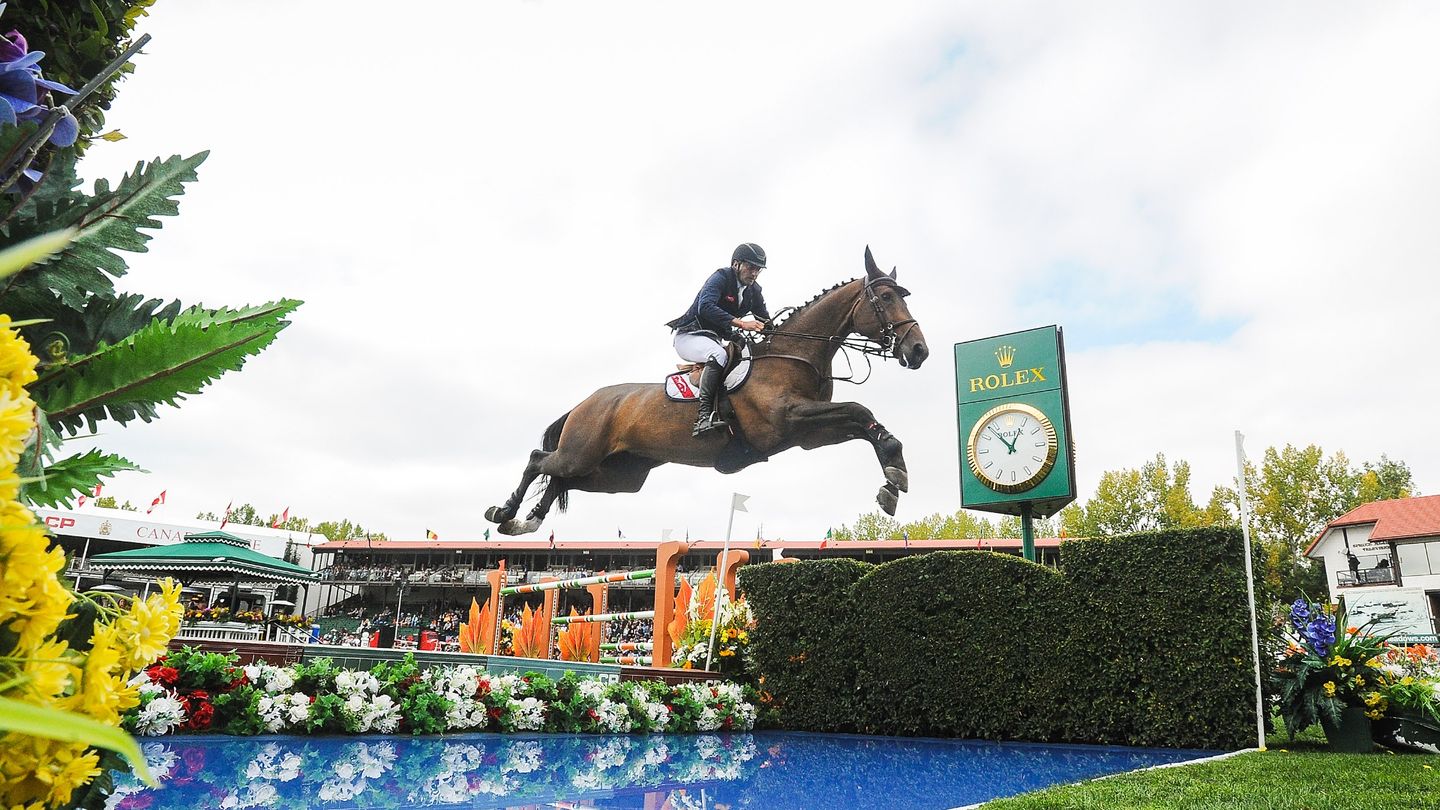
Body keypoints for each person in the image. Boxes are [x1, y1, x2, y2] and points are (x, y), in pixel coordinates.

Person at [667, 243, 772, 437]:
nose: (754, 273)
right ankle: (703, 417)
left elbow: (765, 320)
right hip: (690, 336)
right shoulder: (721, 277)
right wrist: (741, 324)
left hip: (713, 339)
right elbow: (704, 306)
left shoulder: (753, 291)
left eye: (758, 269)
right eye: (751, 267)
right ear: (736, 264)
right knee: (718, 354)